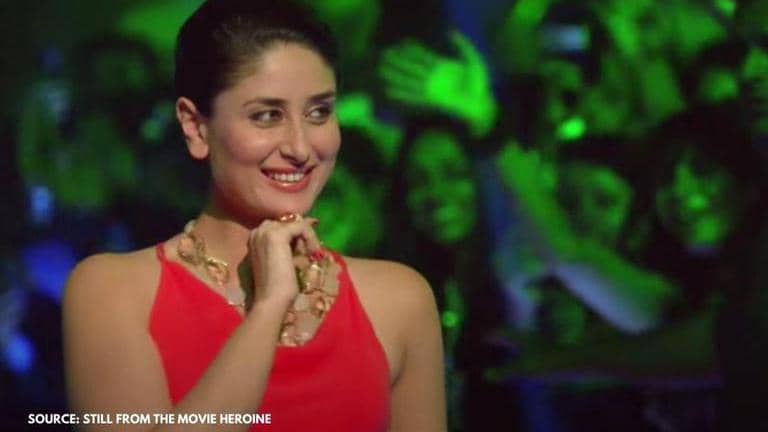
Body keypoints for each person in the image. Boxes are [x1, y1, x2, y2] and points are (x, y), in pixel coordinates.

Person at [62, 1, 446, 431]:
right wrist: (268, 310)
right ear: (195, 127)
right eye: (267, 116)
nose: (301, 148)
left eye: (319, 112)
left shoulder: (398, 300)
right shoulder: (114, 291)